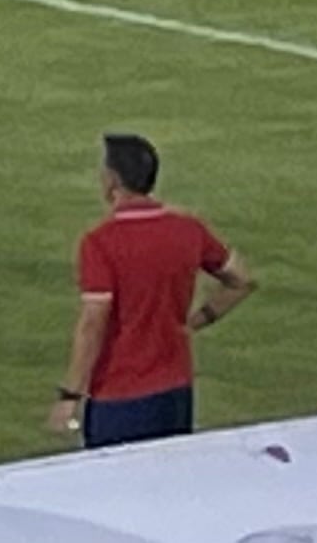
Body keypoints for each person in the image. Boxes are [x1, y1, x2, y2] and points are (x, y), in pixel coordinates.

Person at [57, 132, 254, 448]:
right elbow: (241, 280)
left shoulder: (101, 243)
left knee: (117, 490)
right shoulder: (188, 230)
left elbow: (93, 323)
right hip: (175, 391)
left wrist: (70, 395)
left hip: (119, 394)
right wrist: (195, 321)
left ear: (112, 181)